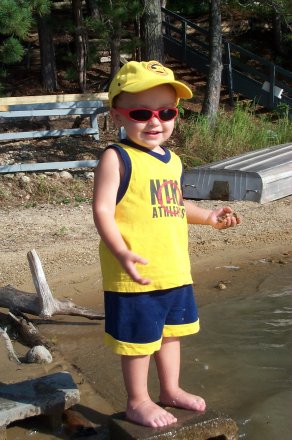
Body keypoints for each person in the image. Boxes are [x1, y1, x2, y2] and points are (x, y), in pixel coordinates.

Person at [92, 60, 240, 429]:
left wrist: (209, 218)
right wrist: (121, 251)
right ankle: (138, 401)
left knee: (173, 334)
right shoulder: (117, 157)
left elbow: (174, 203)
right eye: (142, 112)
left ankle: (171, 389)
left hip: (173, 269)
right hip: (137, 273)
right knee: (139, 342)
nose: (156, 121)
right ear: (118, 115)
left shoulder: (172, 160)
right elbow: (102, 210)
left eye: (167, 112)